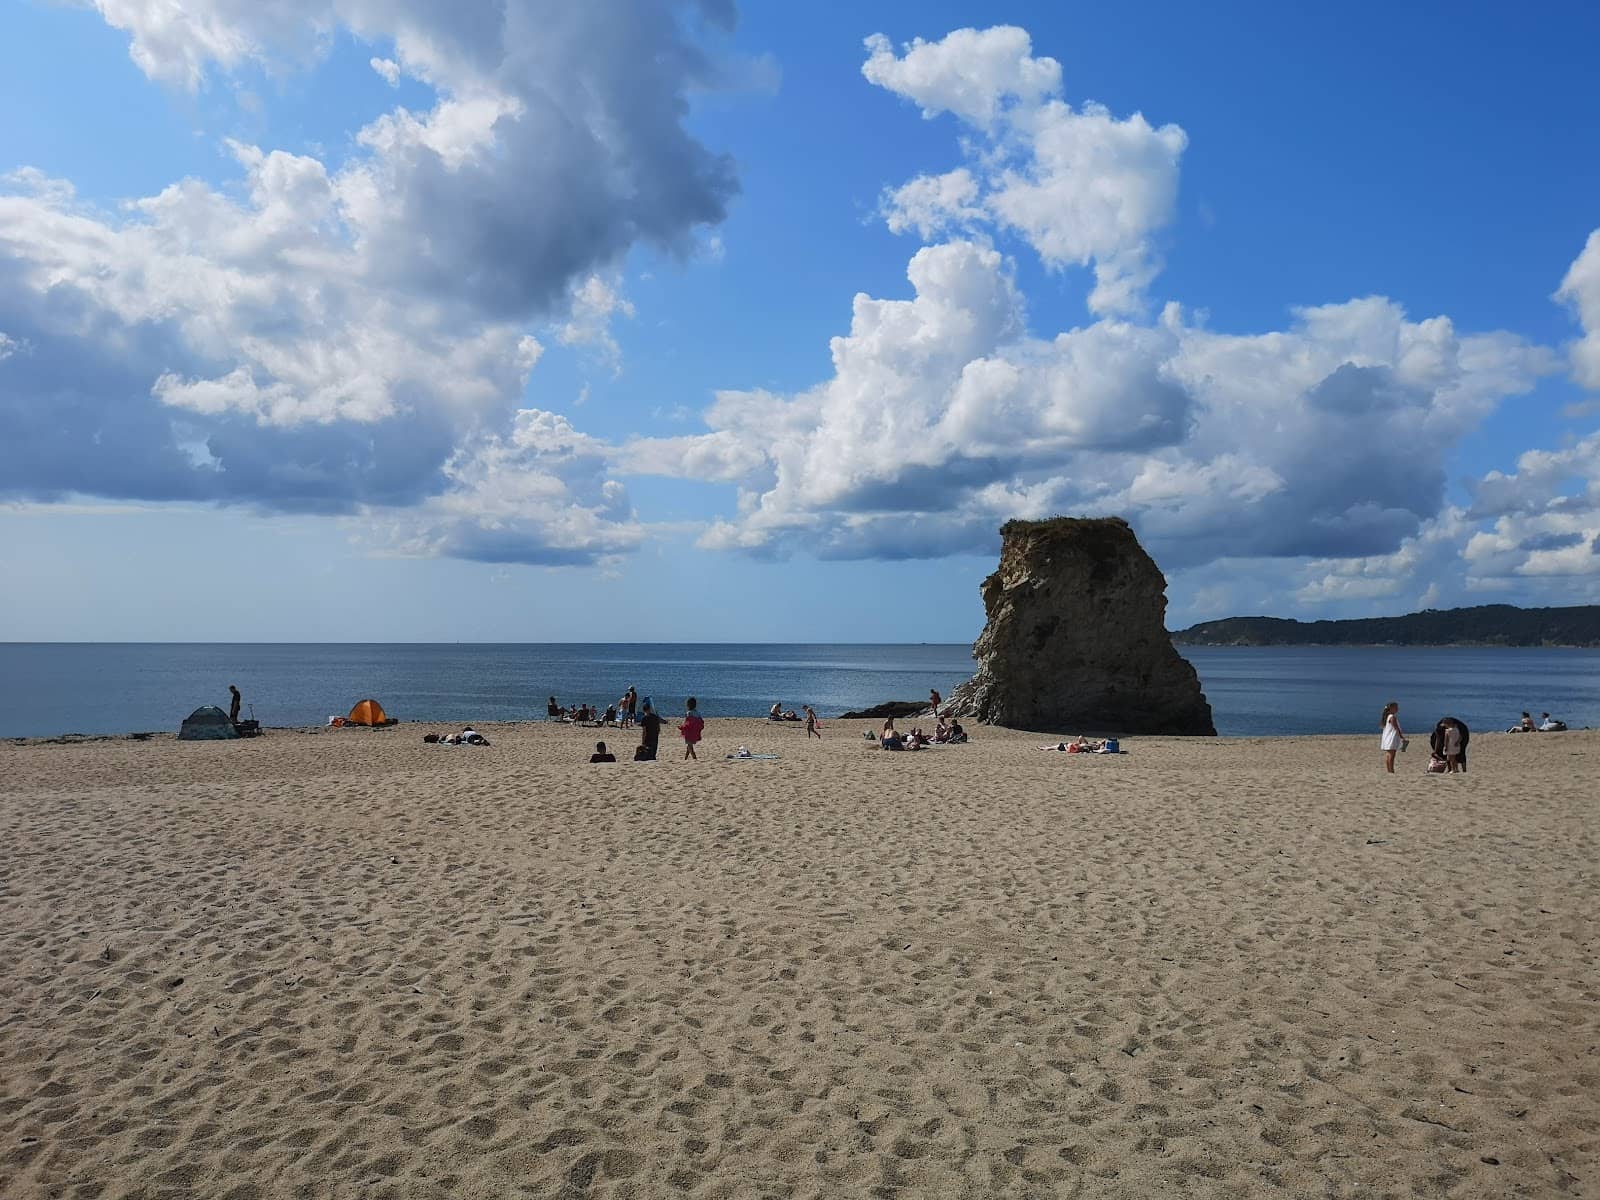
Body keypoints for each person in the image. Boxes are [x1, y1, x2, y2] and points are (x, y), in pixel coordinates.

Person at [1380, 701, 1405, 773]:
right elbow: (1396, 728)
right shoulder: (1392, 717)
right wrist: (1401, 736)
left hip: (1388, 737)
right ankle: (1391, 770)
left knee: (1389, 754)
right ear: (1391, 708)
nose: (1397, 709)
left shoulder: (1387, 716)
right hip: (1392, 737)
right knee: (1392, 755)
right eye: (1396, 707)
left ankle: (1389, 770)